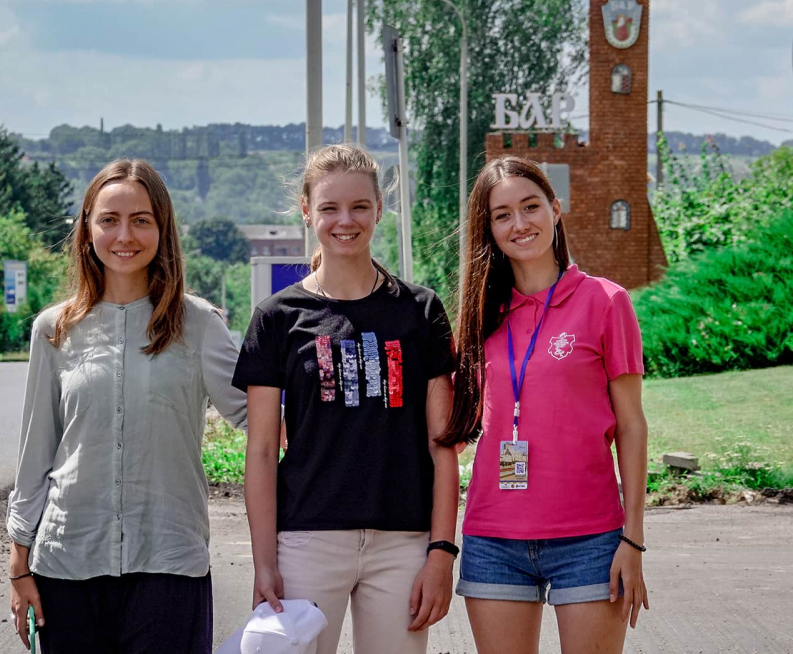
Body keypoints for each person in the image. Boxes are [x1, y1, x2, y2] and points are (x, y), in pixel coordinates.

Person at [6, 159, 248, 654]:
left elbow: (260, 420)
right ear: (87, 227)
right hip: (67, 560)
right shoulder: (54, 330)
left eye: (141, 220)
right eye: (109, 219)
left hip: (169, 561)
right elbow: (37, 451)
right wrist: (19, 562)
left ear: (163, 228)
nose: (124, 235)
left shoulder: (199, 325)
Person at [234, 144, 460, 654]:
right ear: (307, 210)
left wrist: (441, 552)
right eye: (330, 207)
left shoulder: (420, 311)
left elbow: (441, 445)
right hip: (307, 542)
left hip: (402, 544)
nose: (345, 220)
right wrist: (264, 561)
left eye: (360, 206)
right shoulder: (277, 317)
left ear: (380, 208)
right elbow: (263, 451)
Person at [443, 156, 649, 654]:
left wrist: (634, 539)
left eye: (531, 206)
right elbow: (446, 424)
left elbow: (632, 425)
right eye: (502, 214)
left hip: (591, 539)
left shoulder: (605, 301)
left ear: (555, 211)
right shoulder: (477, 315)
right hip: (493, 540)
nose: (520, 223)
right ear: (488, 229)